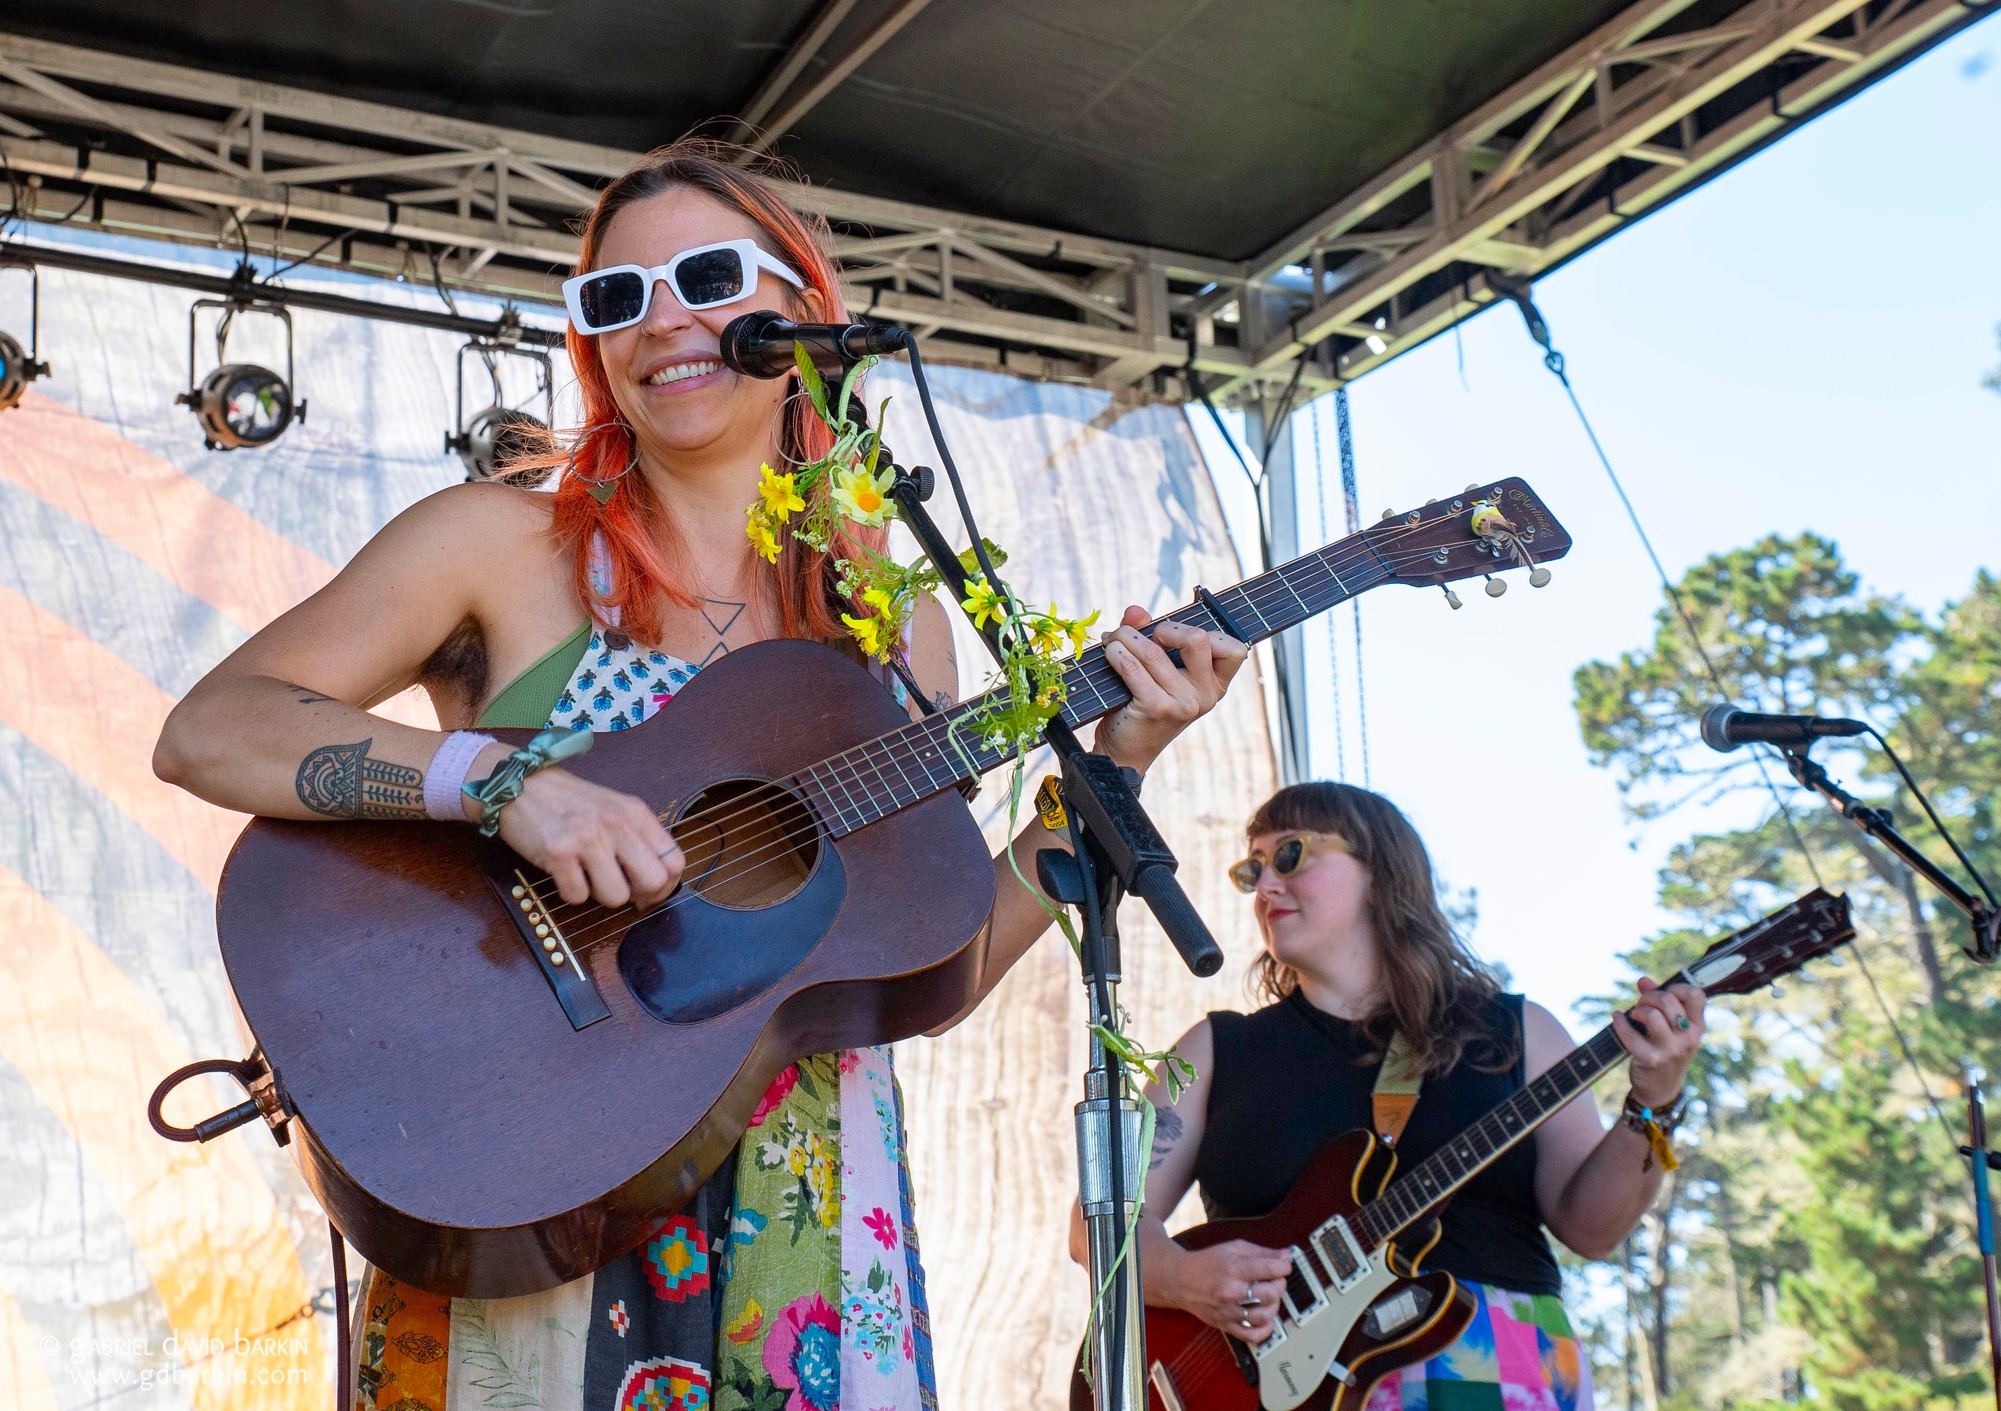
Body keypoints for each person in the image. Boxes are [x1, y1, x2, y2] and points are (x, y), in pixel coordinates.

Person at [154, 138, 1248, 1411]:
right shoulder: (498, 545)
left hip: (812, 1219)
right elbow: (212, 728)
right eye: (613, 298)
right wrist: (502, 786)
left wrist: (1107, 776)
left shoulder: (892, 620)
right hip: (535, 1173)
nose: (660, 321)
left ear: (804, 310)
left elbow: (921, 961)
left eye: (705, 277)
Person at [1073, 782, 1703, 1410]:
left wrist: (1655, 1102)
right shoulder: (1215, 1049)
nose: (1265, 887)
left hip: (1496, 1363)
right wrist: (1183, 1279)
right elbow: (1093, 1225)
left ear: (1379, 872)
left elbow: (1592, 1229)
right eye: (1253, 868)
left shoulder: (1516, 1032)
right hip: (1281, 1387)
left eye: (1290, 855)